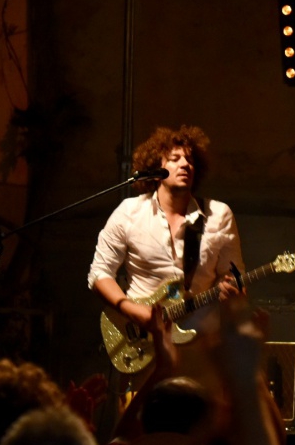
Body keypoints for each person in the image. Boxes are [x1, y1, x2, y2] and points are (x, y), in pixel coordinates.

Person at [88, 125, 243, 345]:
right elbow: (99, 273)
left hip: (201, 342)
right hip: (141, 340)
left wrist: (233, 290)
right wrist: (131, 310)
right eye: (175, 159)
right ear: (156, 168)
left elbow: (235, 276)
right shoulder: (129, 212)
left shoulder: (218, 215)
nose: (185, 164)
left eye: (190, 160)